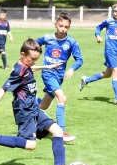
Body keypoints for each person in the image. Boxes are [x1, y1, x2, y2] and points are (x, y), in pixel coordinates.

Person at [0, 38, 67, 165]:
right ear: (22, 54)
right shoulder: (17, 71)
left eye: (36, 60)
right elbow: (3, 89)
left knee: (57, 131)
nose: (34, 62)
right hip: (24, 110)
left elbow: (30, 68)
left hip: (33, 107)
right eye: (32, 59)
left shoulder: (26, 66)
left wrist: (47, 67)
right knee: (31, 145)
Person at [35, 11, 83, 143]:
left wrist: (72, 68)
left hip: (59, 77)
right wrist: (32, 59)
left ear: (69, 27)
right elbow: (33, 45)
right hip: (48, 74)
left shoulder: (72, 42)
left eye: (66, 27)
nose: (63, 29)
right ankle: (61, 132)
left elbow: (80, 60)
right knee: (62, 98)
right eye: (60, 26)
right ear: (55, 24)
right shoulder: (47, 38)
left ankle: (28, 102)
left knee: (43, 106)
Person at [79, 2, 117, 106]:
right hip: (109, 50)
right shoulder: (109, 21)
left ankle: (86, 80)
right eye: (115, 11)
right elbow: (98, 27)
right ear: (113, 12)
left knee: (108, 74)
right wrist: (98, 36)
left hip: (116, 51)